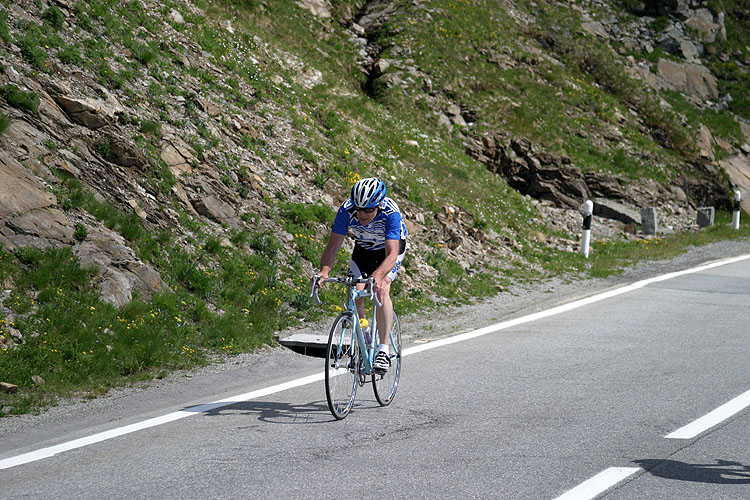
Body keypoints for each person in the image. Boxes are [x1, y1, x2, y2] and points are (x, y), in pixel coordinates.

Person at [313, 177, 407, 373]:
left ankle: (383, 349)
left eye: (368, 210)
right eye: (359, 209)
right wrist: (324, 271)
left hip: (389, 252)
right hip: (363, 249)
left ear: (379, 205)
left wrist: (379, 276)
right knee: (355, 295)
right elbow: (332, 247)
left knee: (381, 290)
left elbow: (392, 254)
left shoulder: (391, 213)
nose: (362, 214)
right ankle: (365, 339)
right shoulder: (346, 210)